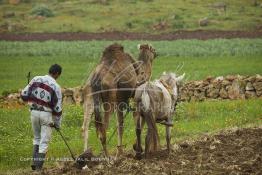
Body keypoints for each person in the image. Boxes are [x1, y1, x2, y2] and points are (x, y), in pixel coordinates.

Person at [21, 64, 63, 171]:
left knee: (36, 138)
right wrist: (57, 124)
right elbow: (57, 109)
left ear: (49, 71)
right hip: (46, 115)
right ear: (57, 74)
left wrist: (30, 100)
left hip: (33, 112)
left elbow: (24, 94)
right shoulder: (56, 87)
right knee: (44, 142)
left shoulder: (36, 79)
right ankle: (38, 168)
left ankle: (34, 163)